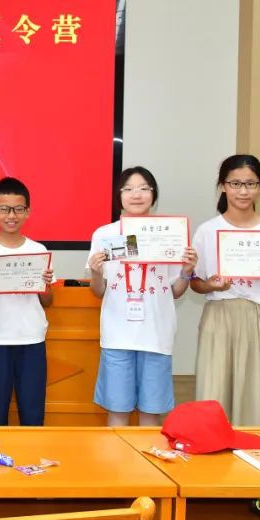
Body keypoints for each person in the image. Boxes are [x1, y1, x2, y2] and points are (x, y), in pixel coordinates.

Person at [192, 154, 260, 426]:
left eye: (251, 184)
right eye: (235, 183)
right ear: (223, 186)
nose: (243, 191)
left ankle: (252, 449)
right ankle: (214, 450)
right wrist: (211, 284)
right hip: (219, 317)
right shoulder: (207, 231)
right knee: (214, 394)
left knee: (256, 398)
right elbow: (195, 282)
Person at [87, 166, 196, 427]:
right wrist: (96, 273)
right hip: (117, 335)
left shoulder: (169, 234)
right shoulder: (104, 234)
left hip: (156, 335)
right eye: (128, 189)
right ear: (118, 195)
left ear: (153, 194)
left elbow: (175, 292)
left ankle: (147, 456)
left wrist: (187, 272)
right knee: (117, 411)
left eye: (144, 188)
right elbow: (98, 291)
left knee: (151, 413)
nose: (136, 195)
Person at [0, 177, 53, 426]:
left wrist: (45, 284)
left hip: (32, 339)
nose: (11, 215)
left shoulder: (38, 250)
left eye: (18, 209)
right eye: (4, 209)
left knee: (33, 412)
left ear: (28, 212)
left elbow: (48, 301)